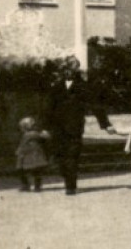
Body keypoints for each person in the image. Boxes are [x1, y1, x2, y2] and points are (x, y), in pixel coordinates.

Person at [44, 63, 117, 194]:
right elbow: (48, 108)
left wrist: (105, 124)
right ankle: (67, 178)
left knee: (72, 156)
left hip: (74, 127)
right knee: (59, 156)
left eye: (72, 69)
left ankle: (71, 186)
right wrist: (44, 127)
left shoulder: (83, 87)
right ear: (63, 70)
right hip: (57, 128)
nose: (69, 71)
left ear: (76, 70)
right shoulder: (56, 87)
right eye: (67, 68)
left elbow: (96, 106)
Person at [15, 116, 52, 192]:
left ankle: (26, 185)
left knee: (21, 171)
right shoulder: (36, 134)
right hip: (36, 156)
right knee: (37, 173)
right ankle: (37, 186)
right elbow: (45, 138)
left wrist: (19, 152)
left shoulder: (28, 135)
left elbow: (23, 145)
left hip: (28, 156)